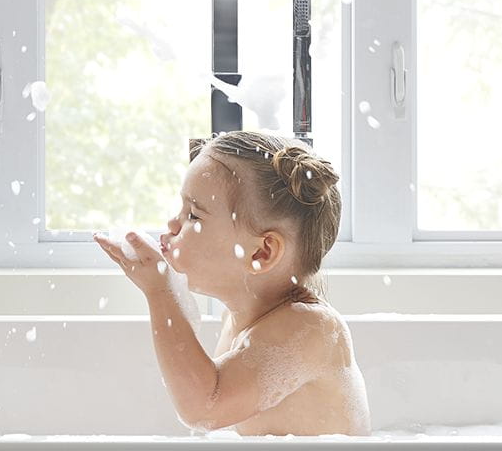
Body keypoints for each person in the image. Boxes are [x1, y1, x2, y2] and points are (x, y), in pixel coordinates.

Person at [94, 130, 369, 436]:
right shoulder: (239, 321)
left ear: (262, 252)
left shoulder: (311, 328)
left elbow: (204, 408)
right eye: (182, 209)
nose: (173, 223)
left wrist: (160, 292)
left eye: (194, 215)